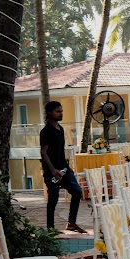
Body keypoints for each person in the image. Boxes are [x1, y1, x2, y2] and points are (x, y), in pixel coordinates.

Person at [39, 100, 85, 233]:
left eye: (61, 111)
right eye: (58, 111)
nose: (61, 114)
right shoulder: (46, 131)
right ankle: (51, 228)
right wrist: (53, 170)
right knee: (53, 198)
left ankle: (72, 223)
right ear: (49, 113)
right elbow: (43, 151)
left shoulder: (61, 129)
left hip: (64, 169)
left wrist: (66, 167)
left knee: (77, 192)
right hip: (52, 171)